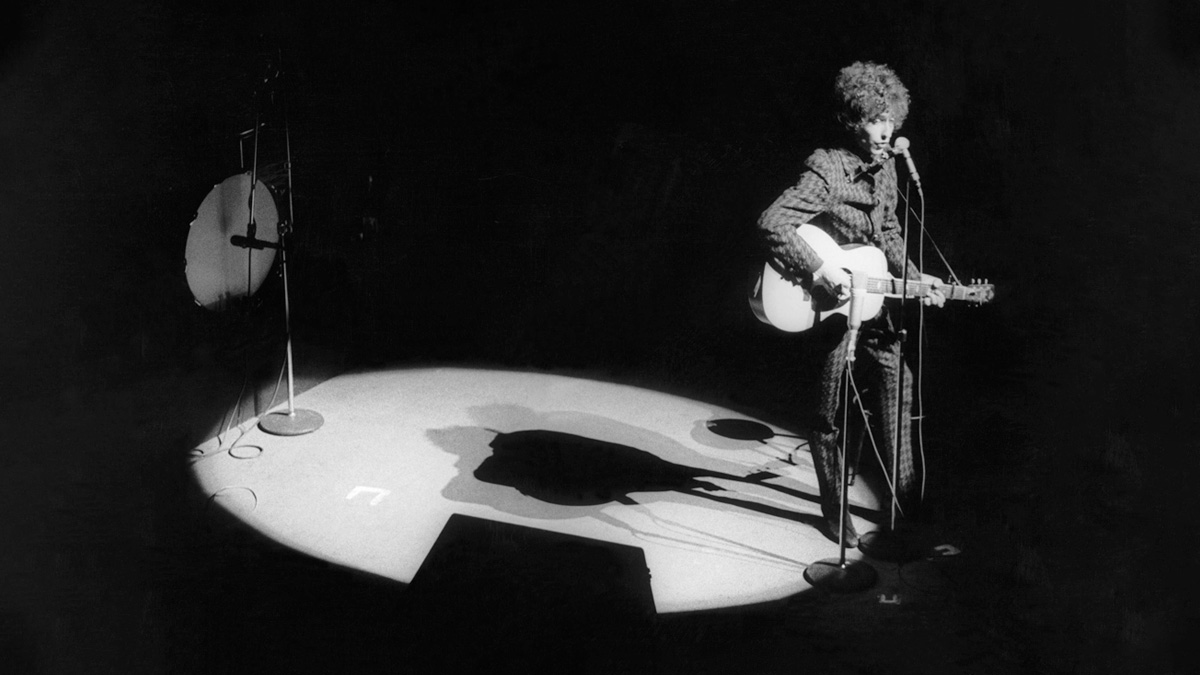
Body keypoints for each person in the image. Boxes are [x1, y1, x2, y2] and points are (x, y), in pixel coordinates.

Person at [756, 61, 945, 547]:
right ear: (853, 119)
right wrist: (819, 269)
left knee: (898, 388)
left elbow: (889, 231)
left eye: (891, 120)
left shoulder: (887, 169)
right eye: (875, 120)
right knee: (828, 412)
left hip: (874, 304)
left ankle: (907, 509)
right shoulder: (829, 167)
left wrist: (916, 277)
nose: (886, 131)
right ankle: (834, 508)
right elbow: (773, 222)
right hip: (829, 305)